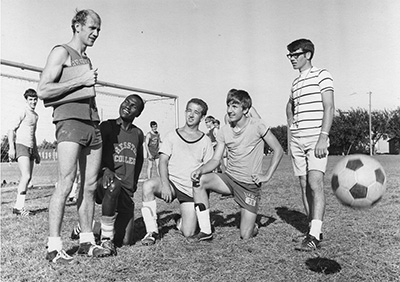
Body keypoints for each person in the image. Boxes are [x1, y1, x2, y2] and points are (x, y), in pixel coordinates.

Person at [37, 9, 109, 263]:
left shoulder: (85, 58)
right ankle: (54, 246)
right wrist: (81, 81)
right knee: (65, 183)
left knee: (89, 186)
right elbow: (43, 89)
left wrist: (84, 79)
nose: (96, 33)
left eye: (98, 29)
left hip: (92, 123)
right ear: (77, 26)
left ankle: (87, 241)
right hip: (69, 122)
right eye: (92, 28)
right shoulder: (62, 51)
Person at [190, 90, 284, 241]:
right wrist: (200, 170)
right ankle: (205, 231)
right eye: (228, 105)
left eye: (235, 106)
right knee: (199, 181)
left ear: (245, 109)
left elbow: (278, 150)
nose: (229, 110)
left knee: (245, 235)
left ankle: (253, 226)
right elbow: (215, 160)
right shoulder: (223, 131)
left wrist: (266, 175)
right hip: (229, 180)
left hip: (248, 185)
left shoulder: (258, 125)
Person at [71, 94, 145, 255]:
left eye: (133, 106)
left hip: (124, 189)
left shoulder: (138, 134)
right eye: (126, 102)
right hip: (104, 183)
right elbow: (94, 153)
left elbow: (139, 158)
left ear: (138, 113)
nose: (127, 106)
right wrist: (105, 169)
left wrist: (135, 181)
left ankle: (91, 225)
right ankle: (106, 239)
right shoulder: (107, 127)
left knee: (125, 241)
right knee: (113, 185)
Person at [140, 98, 214, 245]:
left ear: (202, 117)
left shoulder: (205, 140)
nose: (191, 115)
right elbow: (163, 161)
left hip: (190, 190)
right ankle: (152, 231)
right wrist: (165, 184)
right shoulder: (172, 135)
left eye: (196, 112)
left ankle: (180, 221)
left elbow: (208, 170)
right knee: (148, 185)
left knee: (189, 232)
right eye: (189, 110)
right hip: (172, 184)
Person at [285, 38, 334, 251]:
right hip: (298, 139)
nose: (292, 59)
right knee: (304, 185)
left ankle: (314, 235)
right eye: (290, 56)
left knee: (315, 184)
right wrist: (291, 129)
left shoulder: (322, 74)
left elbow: (329, 107)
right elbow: (290, 105)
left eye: (295, 55)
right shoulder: (295, 83)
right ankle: (313, 229)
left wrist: (323, 136)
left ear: (308, 54)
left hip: (316, 138)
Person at [8, 89, 41, 216]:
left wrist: (36, 152)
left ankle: (19, 206)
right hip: (21, 145)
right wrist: (12, 147)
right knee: (26, 176)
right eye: (30, 99)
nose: (33, 102)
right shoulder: (23, 111)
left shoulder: (36, 115)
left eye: (35, 99)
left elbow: (34, 134)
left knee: (28, 178)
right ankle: (19, 207)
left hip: (31, 148)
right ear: (26, 100)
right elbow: (11, 129)